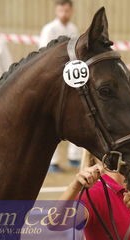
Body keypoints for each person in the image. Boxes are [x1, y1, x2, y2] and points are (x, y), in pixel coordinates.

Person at [39, 0, 81, 172]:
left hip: (70, 79)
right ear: (57, 11)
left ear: (71, 11)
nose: (64, 13)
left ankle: (74, 157)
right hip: (54, 80)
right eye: (61, 10)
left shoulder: (74, 29)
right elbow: (44, 54)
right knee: (52, 119)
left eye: (67, 10)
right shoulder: (49, 30)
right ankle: (52, 161)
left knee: (75, 115)